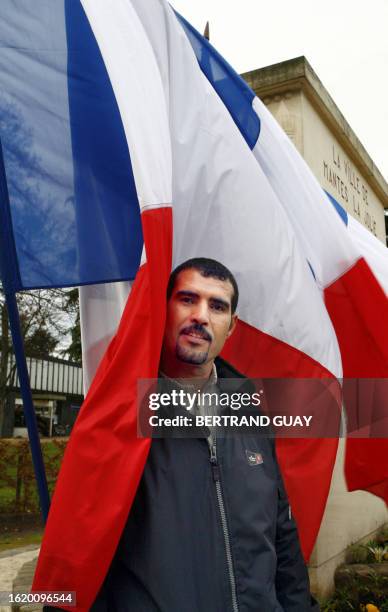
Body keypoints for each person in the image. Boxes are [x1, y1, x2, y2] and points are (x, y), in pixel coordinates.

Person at [47, 257, 319, 612]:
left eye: (217, 306)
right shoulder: (120, 416)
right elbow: (75, 556)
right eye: (188, 299)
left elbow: (282, 541)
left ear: (231, 326)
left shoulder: (252, 415)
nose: (201, 316)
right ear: (164, 309)